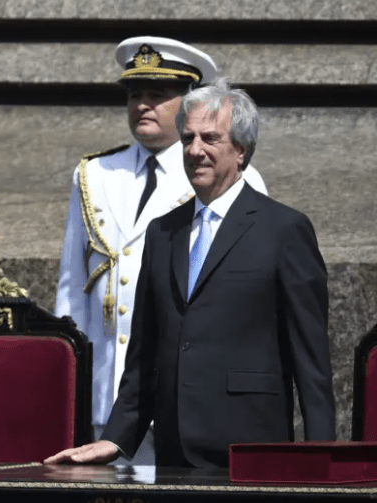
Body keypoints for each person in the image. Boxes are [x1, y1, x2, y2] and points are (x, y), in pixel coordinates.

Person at [46, 78, 335, 468]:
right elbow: (144, 355)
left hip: (249, 448)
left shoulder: (284, 229)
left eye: (210, 138)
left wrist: (321, 456)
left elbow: (311, 359)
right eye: (188, 139)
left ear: (241, 149)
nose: (195, 151)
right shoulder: (164, 232)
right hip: (174, 452)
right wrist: (115, 438)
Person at [55, 36, 267, 464]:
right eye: (135, 94)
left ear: (190, 103)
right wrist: (70, 381)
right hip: (102, 397)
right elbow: (72, 287)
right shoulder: (95, 174)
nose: (143, 105)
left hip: (184, 401)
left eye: (157, 94)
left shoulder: (232, 177)